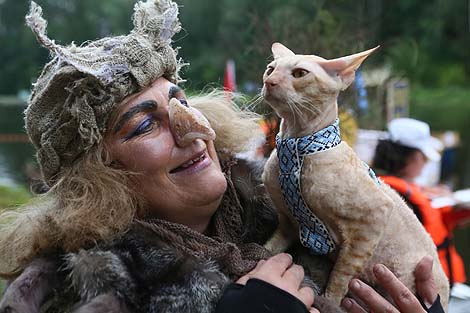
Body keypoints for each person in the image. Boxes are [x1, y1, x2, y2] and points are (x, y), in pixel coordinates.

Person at [0, 1, 444, 312]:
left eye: (183, 103)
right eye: (143, 124)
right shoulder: (73, 291)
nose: (194, 129)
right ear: (96, 178)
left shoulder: (293, 212)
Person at [373, 117, 470, 312]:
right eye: (423, 156)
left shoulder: (410, 189)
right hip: (425, 291)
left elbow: (430, 223)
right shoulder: (394, 194)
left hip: (441, 284)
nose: (425, 162)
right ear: (410, 157)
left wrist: (455, 210)